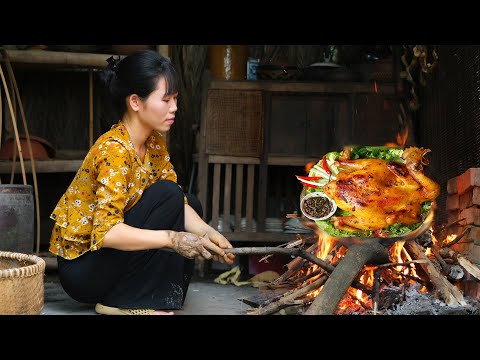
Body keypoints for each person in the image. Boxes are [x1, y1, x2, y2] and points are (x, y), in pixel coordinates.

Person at [49, 49, 235, 315]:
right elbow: (108, 234)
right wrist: (172, 239)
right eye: (166, 99)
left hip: (108, 264)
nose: (175, 108)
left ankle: (149, 297)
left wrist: (209, 235)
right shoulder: (114, 150)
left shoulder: (154, 144)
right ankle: (122, 303)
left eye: (176, 99)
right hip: (83, 269)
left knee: (188, 203)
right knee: (169, 196)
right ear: (135, 102)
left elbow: (178, 206)